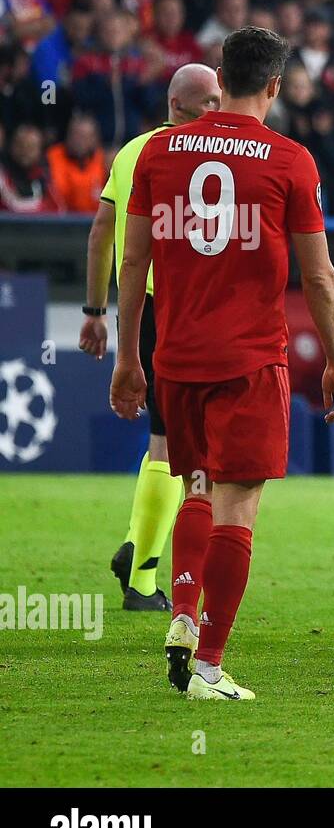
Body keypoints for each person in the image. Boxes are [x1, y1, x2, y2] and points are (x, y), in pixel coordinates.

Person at [110, 27, 334, 701]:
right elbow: (320, 277)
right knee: (238, 505)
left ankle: (182, 610)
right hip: (248, 358)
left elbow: (133, 262)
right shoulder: (291, 160)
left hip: (175, 357)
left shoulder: (159, 151)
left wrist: (130, 356)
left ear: (221, 74)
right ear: (274, 86)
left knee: (196, 485)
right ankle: (208, 663)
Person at [80, 63, 221, 611]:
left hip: (141, 309)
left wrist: (96, 311)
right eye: (209, 100)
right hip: (182, 312)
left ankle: (139, 551)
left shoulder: (133, 151)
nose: (217, 107)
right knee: (177, 446)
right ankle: (142, 574)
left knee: (165, 442)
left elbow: (101, 233)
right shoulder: (205, 156)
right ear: (178, 103)